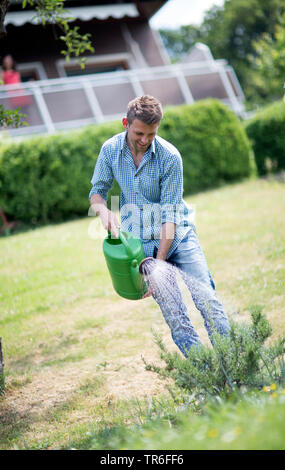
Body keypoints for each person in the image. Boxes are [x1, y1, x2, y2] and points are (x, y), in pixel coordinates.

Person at [89, 95, 231, 357]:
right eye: (139, 133)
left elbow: (171, 215)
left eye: (151, 134)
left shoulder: (170, 157)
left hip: (178, 237)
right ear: (125, 124)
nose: (145, 140)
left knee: (207, 300)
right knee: (176, 318)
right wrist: (103, 211)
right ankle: (207, 375)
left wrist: (161, 262)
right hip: (141, 242)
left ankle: (235, 367)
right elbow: (96, 192)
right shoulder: (110, 150)